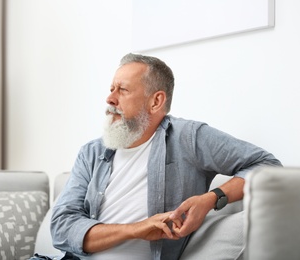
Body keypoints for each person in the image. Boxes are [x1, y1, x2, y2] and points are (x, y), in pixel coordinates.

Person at [50, 53, 282, 260]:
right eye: (111, 89)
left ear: (156, 101)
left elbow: (268, 168)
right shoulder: (92, 152)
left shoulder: (188, 138)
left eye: (122, 90)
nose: (110, 99)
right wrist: (137, 229)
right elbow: (61, 227)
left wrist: (212, 199)